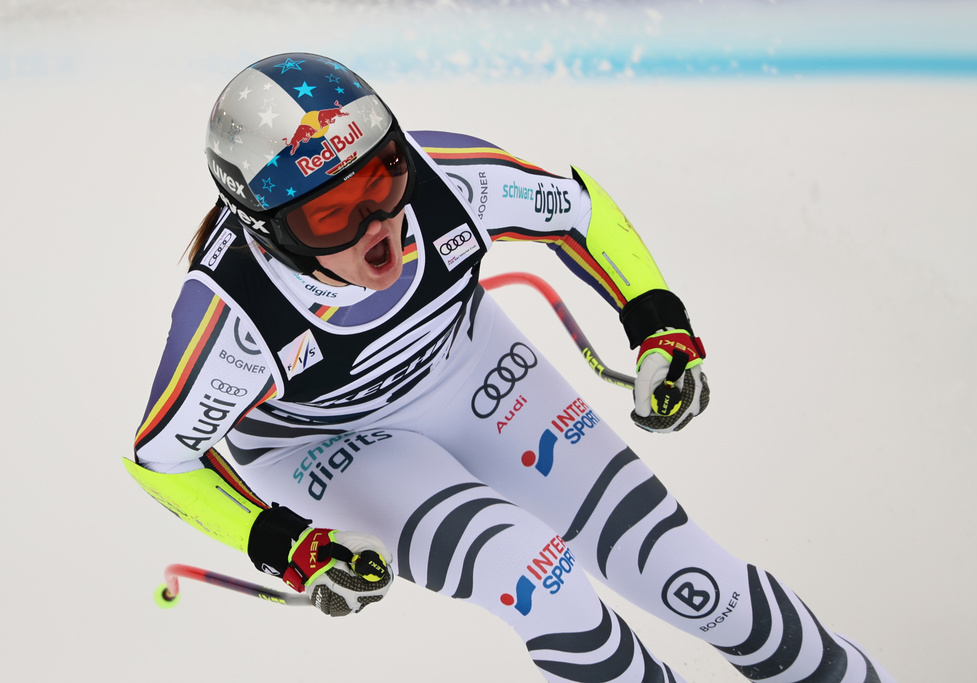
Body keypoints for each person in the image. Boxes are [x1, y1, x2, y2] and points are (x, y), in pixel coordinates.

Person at [128, 52, 896, 682]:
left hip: (471, 368)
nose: (381, 227)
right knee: (543, 581)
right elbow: (160, 458)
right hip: (327, 444)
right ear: (269, 232)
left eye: (382, 178)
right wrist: (281, 542)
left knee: (688, 573)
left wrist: (659, 325)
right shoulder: (230, 317)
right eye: (332, 215)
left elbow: (581, 212)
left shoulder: (442, 177)